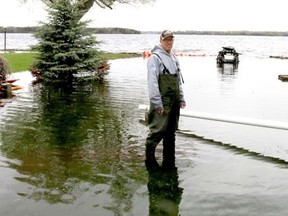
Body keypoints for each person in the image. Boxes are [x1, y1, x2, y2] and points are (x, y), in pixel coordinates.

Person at [145, 30, 186, 169]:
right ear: (161, 40)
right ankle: (149, 161)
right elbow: (152, 83)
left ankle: (169, 163)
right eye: (166, 40)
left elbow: (178, 80)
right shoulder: (154, 58)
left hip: (174, 101)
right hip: (162, 102)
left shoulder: (174, 57)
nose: (169, 42)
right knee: (157, 132)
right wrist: (157, 104)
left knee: (171, 132)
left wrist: (181, 98)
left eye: (171, 40)